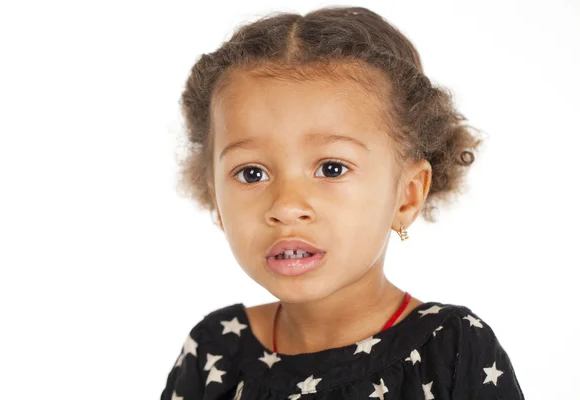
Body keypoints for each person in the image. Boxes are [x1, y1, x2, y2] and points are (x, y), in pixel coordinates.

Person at [161, 5, 525, 399]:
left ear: (408, 193)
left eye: (332, 168)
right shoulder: (214, 352)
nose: (286, 206)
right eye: (252, 173)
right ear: (215, 199)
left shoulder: (452, 351)